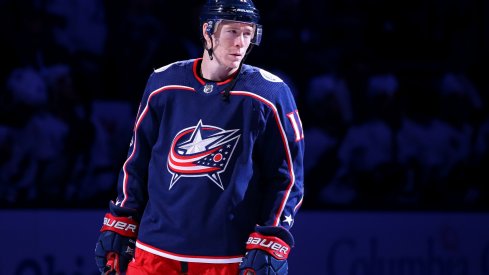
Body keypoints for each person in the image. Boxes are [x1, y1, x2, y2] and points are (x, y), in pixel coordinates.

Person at [94, 0, 305, 274]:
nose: (241, 42)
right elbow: (136, 161)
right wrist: (121, 220)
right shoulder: (163, 83)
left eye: (247, 32)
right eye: (232, 31)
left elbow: (288, 178)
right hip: (153, 254)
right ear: (208, 32)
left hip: (226, 259)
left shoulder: (269, 94)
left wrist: (272, 238)